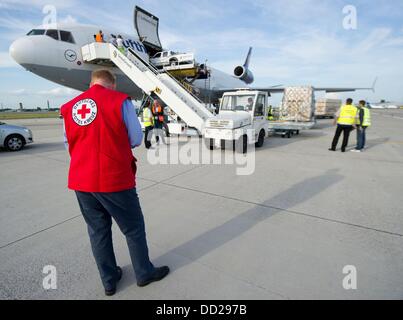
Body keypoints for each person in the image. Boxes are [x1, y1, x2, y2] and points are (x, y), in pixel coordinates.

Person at [60, 69, 169, 296]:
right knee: (133, 228)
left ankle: (109, 281)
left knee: (98, 231)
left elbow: (68, 144)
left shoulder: (70, 107)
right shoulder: (120, 101)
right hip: (114, 178)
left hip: (81, 180)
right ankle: (143, 273)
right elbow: (136, 138)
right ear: (113, 84)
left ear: (91, 84)